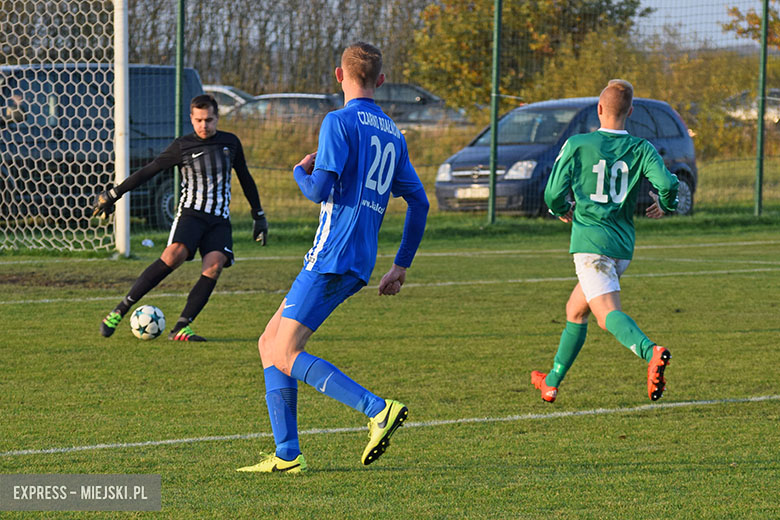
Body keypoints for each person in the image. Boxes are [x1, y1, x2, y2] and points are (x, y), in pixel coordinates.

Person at [237, 42, 429, 474]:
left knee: (284, 352)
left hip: (331, 255)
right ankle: (287, 453)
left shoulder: (337, 121)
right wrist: (401, 264)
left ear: (339, 76)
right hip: (357, 258)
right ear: (380, 81)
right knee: (269, 343)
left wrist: (298, 172)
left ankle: (377, 409)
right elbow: (419, 204)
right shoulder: (394, 134)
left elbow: (319, 190)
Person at [531, 79, 679, 403]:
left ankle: (650, 351)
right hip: (622, 247)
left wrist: (562, 208)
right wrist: (666, 204)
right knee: (575, 310)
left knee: (605, 315)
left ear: (599, 109)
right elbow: (667, 183)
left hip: (590, 246)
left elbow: (553, 193)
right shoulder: (642, 149)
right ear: (631, 112)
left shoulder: (578, 144)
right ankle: (552, 380)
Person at [93, 94, 268, 342]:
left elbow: (246, 179)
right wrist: (114, 194)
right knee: (173, 255)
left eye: (208, 120)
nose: (203, 126)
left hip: (219, 219)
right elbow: (148, 171)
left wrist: (258, 215)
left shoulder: (230, 143)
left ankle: (181, 328)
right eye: (198, 120)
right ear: (191, 118)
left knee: (215, 265)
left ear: (217, 118)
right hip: (191, 214)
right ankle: (119, 310)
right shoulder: (182, 146)